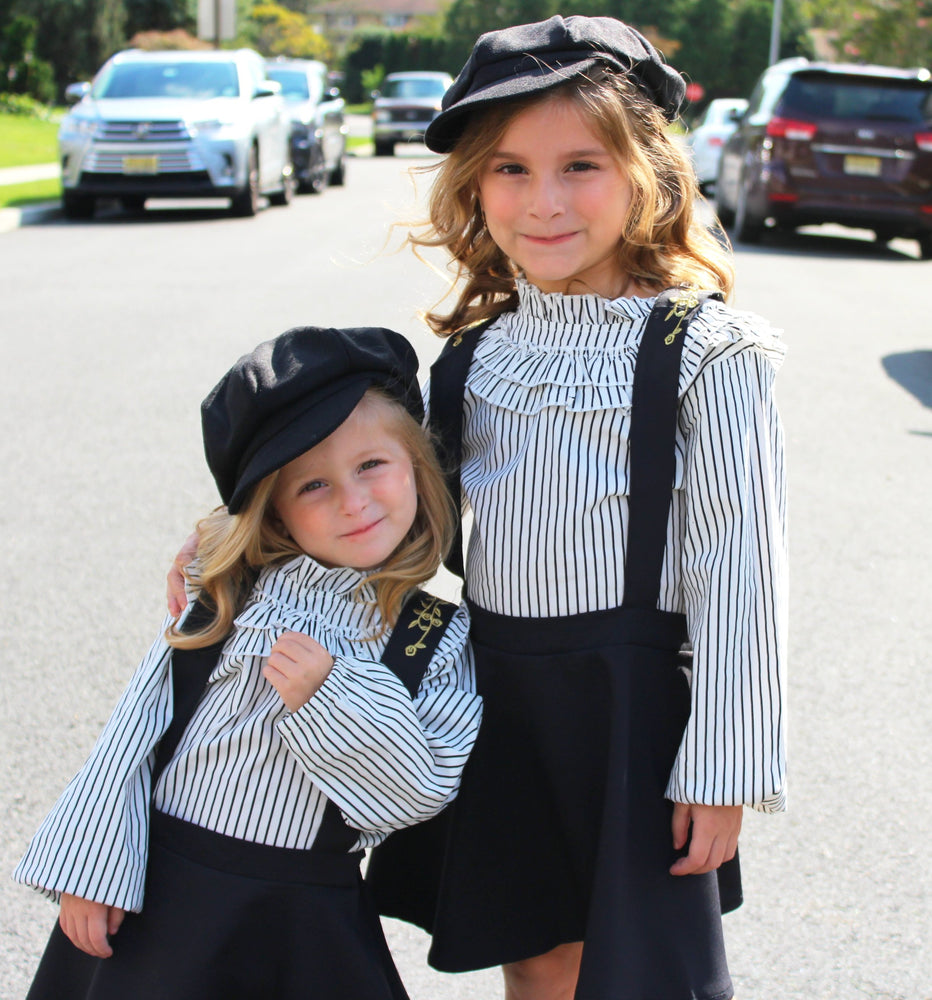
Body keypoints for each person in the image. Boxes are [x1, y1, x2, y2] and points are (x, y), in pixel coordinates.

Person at [171, 16, 787, 1000]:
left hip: (629, 718)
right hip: (499, 699)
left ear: (645, 173)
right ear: (473, 188)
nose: (541, 202)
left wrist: (722, 767)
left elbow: (741, 575)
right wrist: (227, 546)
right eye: (508, 170)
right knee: (538, 961)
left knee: (639, 973)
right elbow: (376, 514)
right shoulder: (471, 360)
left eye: (578, 165)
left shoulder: (706, 353)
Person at [14, 326, 483, 1000]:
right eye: (314, 485)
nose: (353, 501)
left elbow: (417, 791)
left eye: (372, 465)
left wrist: (331, 696)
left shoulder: (432, 637)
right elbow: (135, 731)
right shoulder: (235, 593)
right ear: (280, 512)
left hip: (305, 923)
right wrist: (92, 871)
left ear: (417, 467)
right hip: (164, 903)